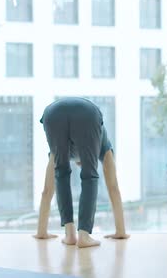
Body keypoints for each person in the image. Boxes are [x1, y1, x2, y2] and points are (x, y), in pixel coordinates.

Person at [33, 97, 129, 248]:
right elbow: (113, 188)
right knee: (90, 175)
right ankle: (84, 236)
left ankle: (70, 234)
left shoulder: (58, 152)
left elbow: (47, 191)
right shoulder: (103, 143)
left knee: (61, 174)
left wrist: (41, 232)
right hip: (88, 114)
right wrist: (121, 231)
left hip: (53, 114)